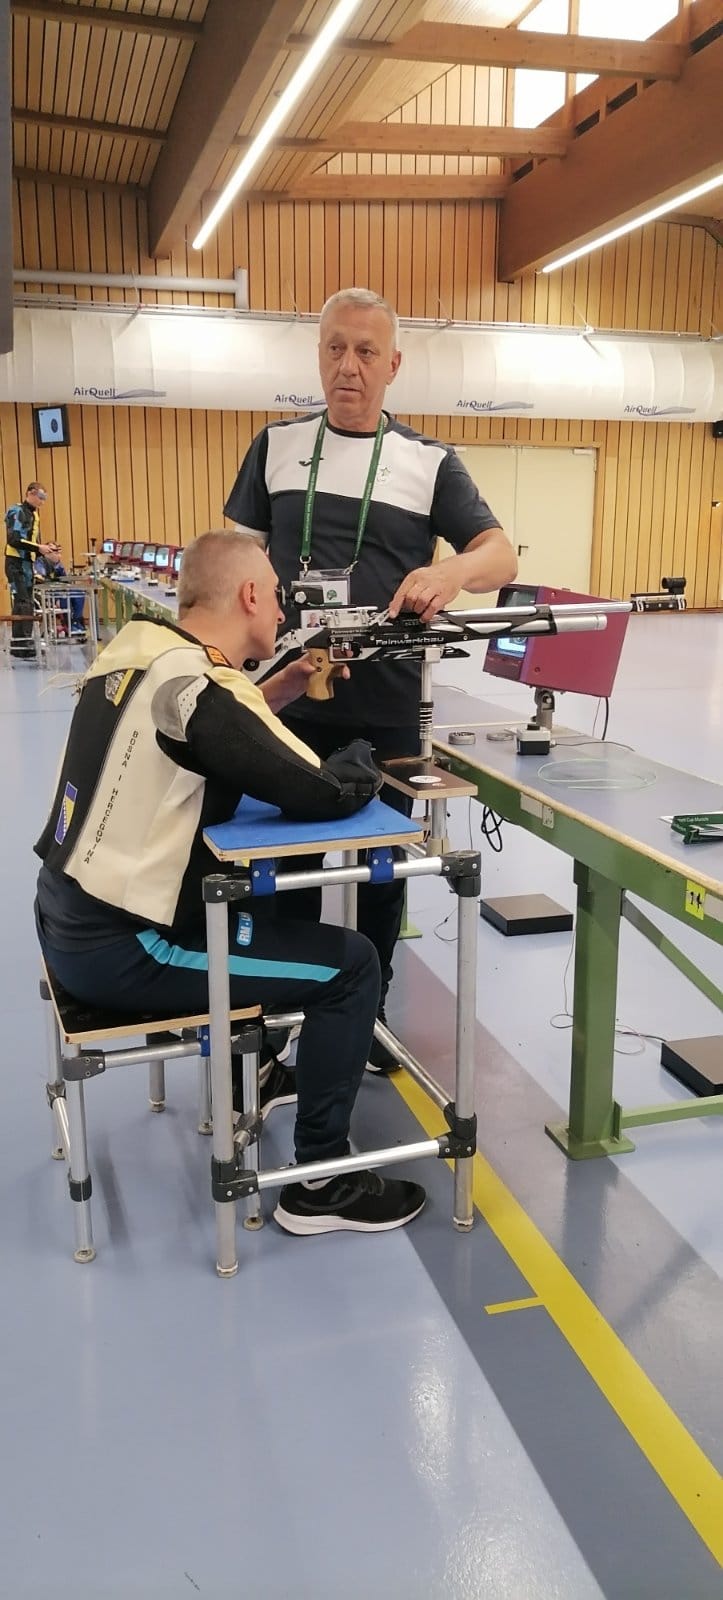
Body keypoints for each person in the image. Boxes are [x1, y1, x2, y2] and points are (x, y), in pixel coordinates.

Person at [34, 531, 426, 1237]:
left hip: (69, 915)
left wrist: (276, 690)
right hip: (125, 949)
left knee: (261, 915)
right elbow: (322, 790)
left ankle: (262, 1077)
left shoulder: (144, 650)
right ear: (249, 595)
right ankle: (322, 1183)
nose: (280, 612)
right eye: (275, 596)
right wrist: (367, 757)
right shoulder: (203, 690)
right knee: (351, 966)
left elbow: (213, 730)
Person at [224, 287, 517, 1070]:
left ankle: (367, 1014)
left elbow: (499, 555)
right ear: (317, 355)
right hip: (284, 701)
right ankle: (274, 1018)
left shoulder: (428, 462)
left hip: (386, 709)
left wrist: (450, 572)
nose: (347, 366)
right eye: (334, 348)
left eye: (364, 351)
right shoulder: (276, 446)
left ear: (393, 365)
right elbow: (234, 559)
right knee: (282, 873)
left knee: (383, 872)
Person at [5, 482, 60, 659]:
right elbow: (14, 539)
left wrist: (46, 550)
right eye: (40, 497)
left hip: (28, 564)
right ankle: (23, 645)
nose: (42, 501)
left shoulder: (34, 514)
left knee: (26, 602)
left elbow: (34, 541)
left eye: (45, 498)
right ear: (30, 493)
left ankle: (21, 644)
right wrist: (38, 548)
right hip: (16, 563)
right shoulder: (16, 511)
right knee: (23, 603)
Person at [34, 551, 87, 639]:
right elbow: (42, 579)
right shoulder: (40, 563)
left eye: (59, 553)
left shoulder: (58, 564)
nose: (58, 555)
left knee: (78, 593)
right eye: (55, 552)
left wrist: (59, 567)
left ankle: (76, 621)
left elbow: (64, 580)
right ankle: (69, 623)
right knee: (65, 598)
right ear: (47, 553)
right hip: (48, 592)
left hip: (61, 589)